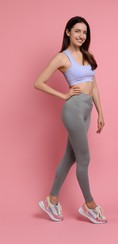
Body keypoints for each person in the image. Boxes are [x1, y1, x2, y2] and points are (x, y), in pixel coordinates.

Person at [34, 16, 107, 224]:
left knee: (71, 157)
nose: (81, 35)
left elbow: (93, 85)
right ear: (68, 32)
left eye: (84, 32)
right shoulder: (62, 57)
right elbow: (38, 82)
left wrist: (101, 112)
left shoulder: (88, 55)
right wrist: (63, 95)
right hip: (73, 109)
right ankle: (89, 205)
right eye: (77, 31)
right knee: (84, 158)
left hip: (87, 110)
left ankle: (52, 199)